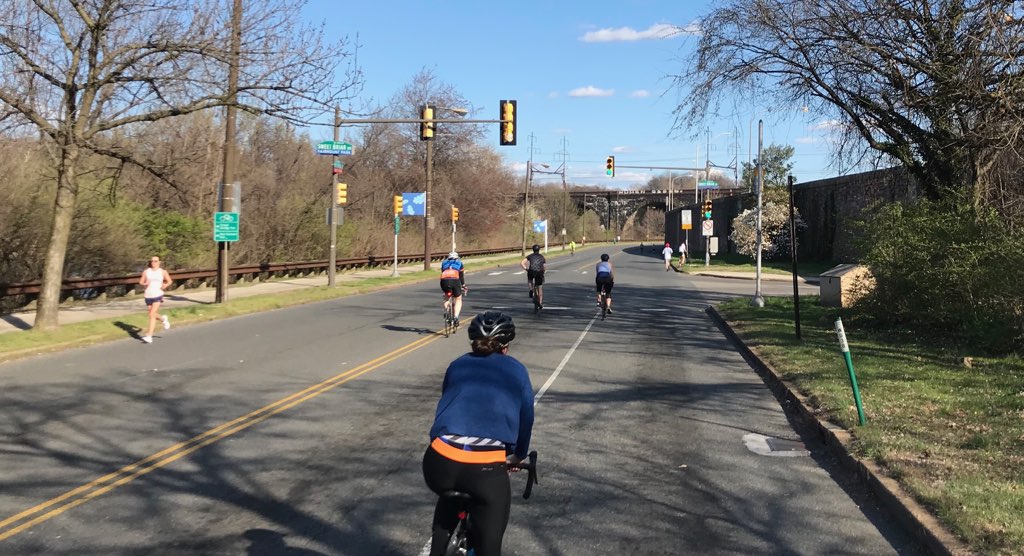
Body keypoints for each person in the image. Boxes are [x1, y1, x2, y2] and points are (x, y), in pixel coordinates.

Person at [423, 311, 534, 556]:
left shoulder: (457, 364)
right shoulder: (517, 370)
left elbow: (447, 406)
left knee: (449, 490)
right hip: (483, 471)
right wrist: (516, 456)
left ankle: (438, 547)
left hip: (438, 460)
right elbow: (526, 419)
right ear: (505, 347)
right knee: (490, 545)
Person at [139, 255, 172, 343]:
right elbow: (141, 281)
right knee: (152, 314)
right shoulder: (146, 272)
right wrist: (145, 283)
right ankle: (163, 319)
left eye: (155, 261)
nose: (153, 263)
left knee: (151, 314)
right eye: (152, 261)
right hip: (148, 295)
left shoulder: (163, 272)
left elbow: (169, 281)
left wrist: (165, 285)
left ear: (159, 262)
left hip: (158, 294)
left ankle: (149, 336)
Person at [440, 251, 466, 327]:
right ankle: (455, 317)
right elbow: (461, 276)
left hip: (444, 281)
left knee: (446, 297)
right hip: (455, 280)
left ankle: (447, 311)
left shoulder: (444, 262)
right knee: (458, 299)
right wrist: (463, 285)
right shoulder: (459, 263)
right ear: (457, 257)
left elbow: (443, 272)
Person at [520, 244, 546, 309]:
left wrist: (526, 269)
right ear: (539, 250)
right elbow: (544, 267)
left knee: (530, 279)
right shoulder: (542, 257)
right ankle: (540, 301)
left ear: (533, 250)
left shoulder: (530, 256)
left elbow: (522, 263)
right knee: (540, 286)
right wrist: (543, 272)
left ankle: (531, 289)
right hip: (539, 272)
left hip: (531, 271)